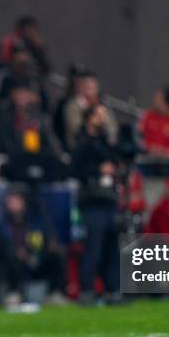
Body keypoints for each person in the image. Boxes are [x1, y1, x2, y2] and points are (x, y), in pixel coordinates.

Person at [71, 104, 121, 306]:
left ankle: (112, 290)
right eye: (100, 115)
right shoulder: (82, 141)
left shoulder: (105, 141)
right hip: (92, 199)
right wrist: (99, 169)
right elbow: (75, 169)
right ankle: (88, 290)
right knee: (93, 246)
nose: (104, 119)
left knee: (111, 246)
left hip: (108, 198)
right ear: (89, 118)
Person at [137, 88, 169, 157]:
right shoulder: (148, 116)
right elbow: (138, 136)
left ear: (167, 104)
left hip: (168, 164)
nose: (155, 102)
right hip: (146, 160)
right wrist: (149, 148)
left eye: (159, 99)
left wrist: (163, 152)